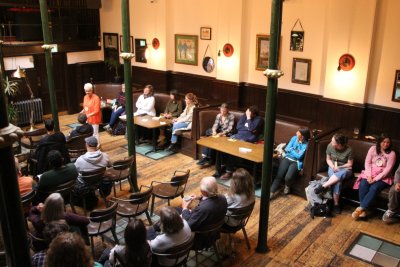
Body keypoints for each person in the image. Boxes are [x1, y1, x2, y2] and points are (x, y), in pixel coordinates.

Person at [351, 134, 396, 219]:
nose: (386, 144)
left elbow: (388, 170)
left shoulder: (392, 154)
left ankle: (361, 208)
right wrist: (369, 176)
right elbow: (367, 163)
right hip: (370, 173)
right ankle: (363, 211)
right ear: (379, 142)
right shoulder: (372, 149)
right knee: (363, 184)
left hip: (384, 177)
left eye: (388, 142)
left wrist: (375, 179)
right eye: (384, 142)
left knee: (374, 188)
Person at [217, 106, 264, 179]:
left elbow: (251, 128)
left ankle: (229, 171)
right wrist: (249, 128)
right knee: (224, 146)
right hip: (237, 136)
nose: (246, 114)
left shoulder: (259, 119)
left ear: (253, 114)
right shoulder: (245, 116)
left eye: (248, 113)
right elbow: (238, 127)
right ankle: (223, 165)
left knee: (232, 150)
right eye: (246, 113)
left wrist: (248, 119)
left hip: (247, 140)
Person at [181, 176, 227, 248]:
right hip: (215, 232)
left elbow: (189, 225)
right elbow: (210, 200)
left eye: (201, 190)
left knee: (176, 214)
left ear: (204, 192)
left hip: (201, 238)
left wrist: (184, 208)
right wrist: (199, 197)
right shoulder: (223, 198)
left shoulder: (203, 209)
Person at [314, 133, 353, 214]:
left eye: (333, 142)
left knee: (340, 175)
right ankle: (336, 204)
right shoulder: (330, 146)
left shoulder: (349, 150)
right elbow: (328, 159)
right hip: (333, 166)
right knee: (338, 181)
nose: (331, 143)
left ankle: (324, 186)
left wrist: (340, 167)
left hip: (345, 169)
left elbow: (350, 164)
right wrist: (333, 167)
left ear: (339, 144)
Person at [270, 128, 311, 199]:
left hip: (296, 162)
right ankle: (271, 192)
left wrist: (291, 149)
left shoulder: (306, 144)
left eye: (298, 133)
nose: (296, 133)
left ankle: (287, 185)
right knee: (279, 175)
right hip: (287, 158)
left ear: (302, 136)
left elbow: (299, 156)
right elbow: (286, 148)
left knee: (288, 177)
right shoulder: (294, 138)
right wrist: (293, 150)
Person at [73, 136, 111, 208]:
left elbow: (75, 171)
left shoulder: (80, 160)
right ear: (97, 145)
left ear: (86, 145)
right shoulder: (105, 156)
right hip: (99, 181)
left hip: (84, 184)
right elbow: (110, 165)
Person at [197, 103, 235, 167]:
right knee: (209, 132)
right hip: (218, 131)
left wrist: (223, 133)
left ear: (227, 110)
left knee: (210, 138)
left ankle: (208, 159)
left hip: (226, 133)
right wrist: (214, 130)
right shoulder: (218, 115)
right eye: (221, 110)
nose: (222, 112)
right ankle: (205, 158)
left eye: (224, 111)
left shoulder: (231, 116)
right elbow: (215, 125)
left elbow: (230, 128)